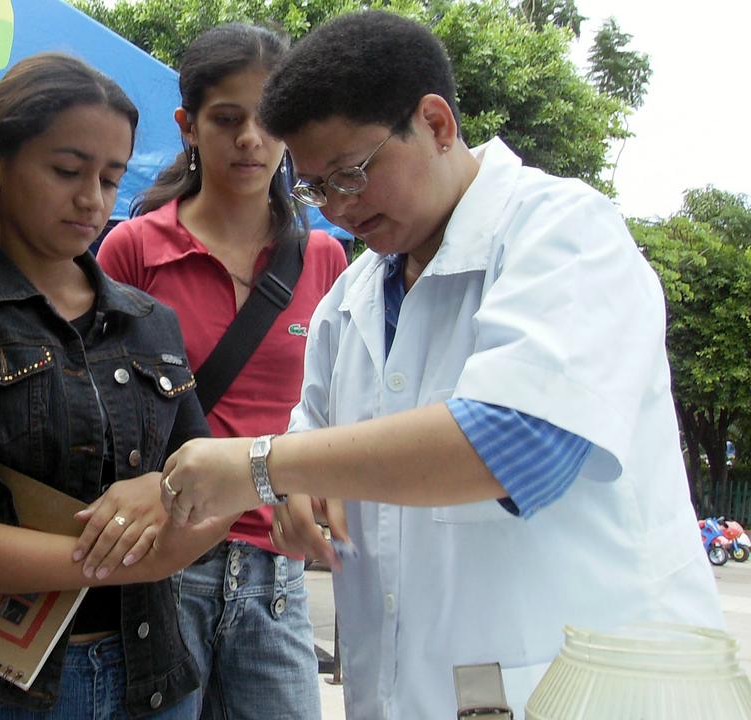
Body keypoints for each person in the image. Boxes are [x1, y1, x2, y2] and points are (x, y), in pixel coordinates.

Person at [158, 10, 724, 718]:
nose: (339, 206)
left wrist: (261, 467)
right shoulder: (351, 300)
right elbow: (314, 454)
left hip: (583, 684)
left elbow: (515, 444)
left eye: (354, 173)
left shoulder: (563, 232)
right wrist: (298, 500)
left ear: (436, 123)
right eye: (316, 189)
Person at [0, 53, 234, 718]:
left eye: (111, 179)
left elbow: (215, 488)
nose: (91, 198)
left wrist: (164, 487)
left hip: (152, 676)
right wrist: (132, 559)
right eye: (66, 170)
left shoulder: (149, 323)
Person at [97, 23, 347, 720]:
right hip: (164, 564)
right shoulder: (133, 248)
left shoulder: (325, 260)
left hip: (278, 576)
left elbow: (332, 410)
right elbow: (95, 403)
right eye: (227, 119)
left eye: (268, 122)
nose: (250, 140)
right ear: (188, 126)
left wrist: (319, 491)